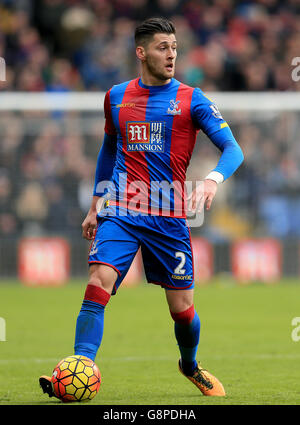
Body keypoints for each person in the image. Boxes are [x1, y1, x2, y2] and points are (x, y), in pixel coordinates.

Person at [40, 17, 243, 398]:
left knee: (182, 310)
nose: (171, 55)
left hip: (169, 217)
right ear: (141, 52)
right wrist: (95, 205)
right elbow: (108, 149)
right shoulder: (116, 96)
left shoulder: (192, 99)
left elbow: (233, 149)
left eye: (175, 47)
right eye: (163, 47)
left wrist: (213, 179)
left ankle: (190, 365)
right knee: (98, 282)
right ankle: (79, 365)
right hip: (122, 208)